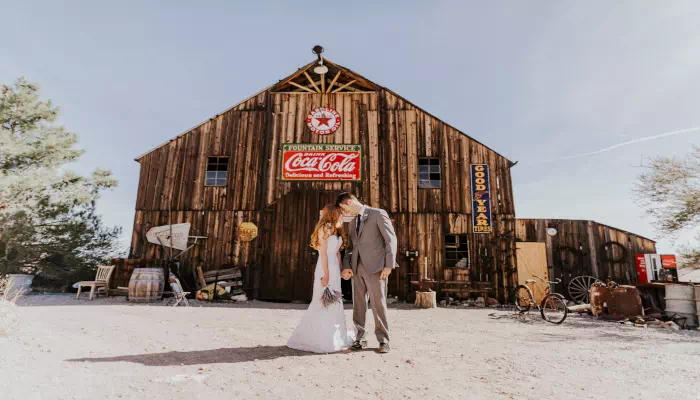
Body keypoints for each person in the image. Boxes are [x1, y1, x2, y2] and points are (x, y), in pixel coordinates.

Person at [286, 204, 355, 353]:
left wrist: (341, 270)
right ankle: (318, 338)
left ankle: (335, 336)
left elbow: (337, 253)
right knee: (322, 300)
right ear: (333, 214)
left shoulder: (336, 229)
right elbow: (323, 254)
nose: (342, 215)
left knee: (335, 301)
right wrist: (327, 274)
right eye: (340, 213)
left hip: (335, 269)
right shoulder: (325, 228)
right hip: (325, 267)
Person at [336, 192, 397, 354]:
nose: (345, 213)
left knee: (378, 304)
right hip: (357, 269)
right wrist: (346, 266)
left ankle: (383, 341)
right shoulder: (352, 222)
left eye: (344, 209)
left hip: (377, 267)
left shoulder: (378, 213)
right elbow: (350, 247)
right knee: (358, 305)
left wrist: (388, 265)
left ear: (349, 202)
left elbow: (390, 240)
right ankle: (359, 338)